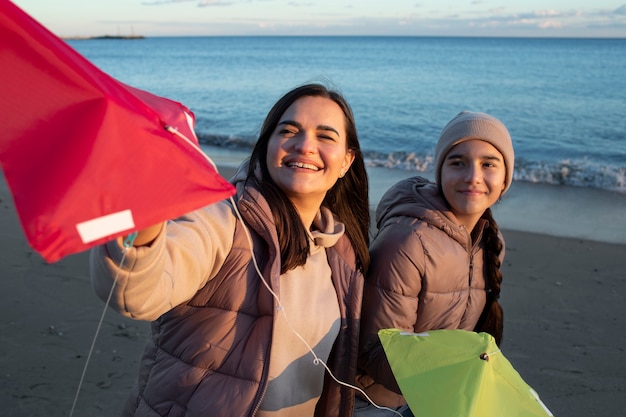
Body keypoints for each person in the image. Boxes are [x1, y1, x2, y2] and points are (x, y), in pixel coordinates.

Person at [90, 83, 371, 417]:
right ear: (267, 146)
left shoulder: (342, 253)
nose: (305, 145)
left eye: (325, 136)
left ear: (346, 161)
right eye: (289, 130)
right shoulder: (223, 221)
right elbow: (138, 292)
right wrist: (149, 210)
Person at [354, 111, 515, 416]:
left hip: (438, 393)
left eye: (488, 164)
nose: (473, 176)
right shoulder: (408, 241)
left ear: (505, 178)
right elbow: (375, 348)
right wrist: (448, 379)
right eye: (458, 162)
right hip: (377, 401)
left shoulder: (490, 242)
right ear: (439, 171)